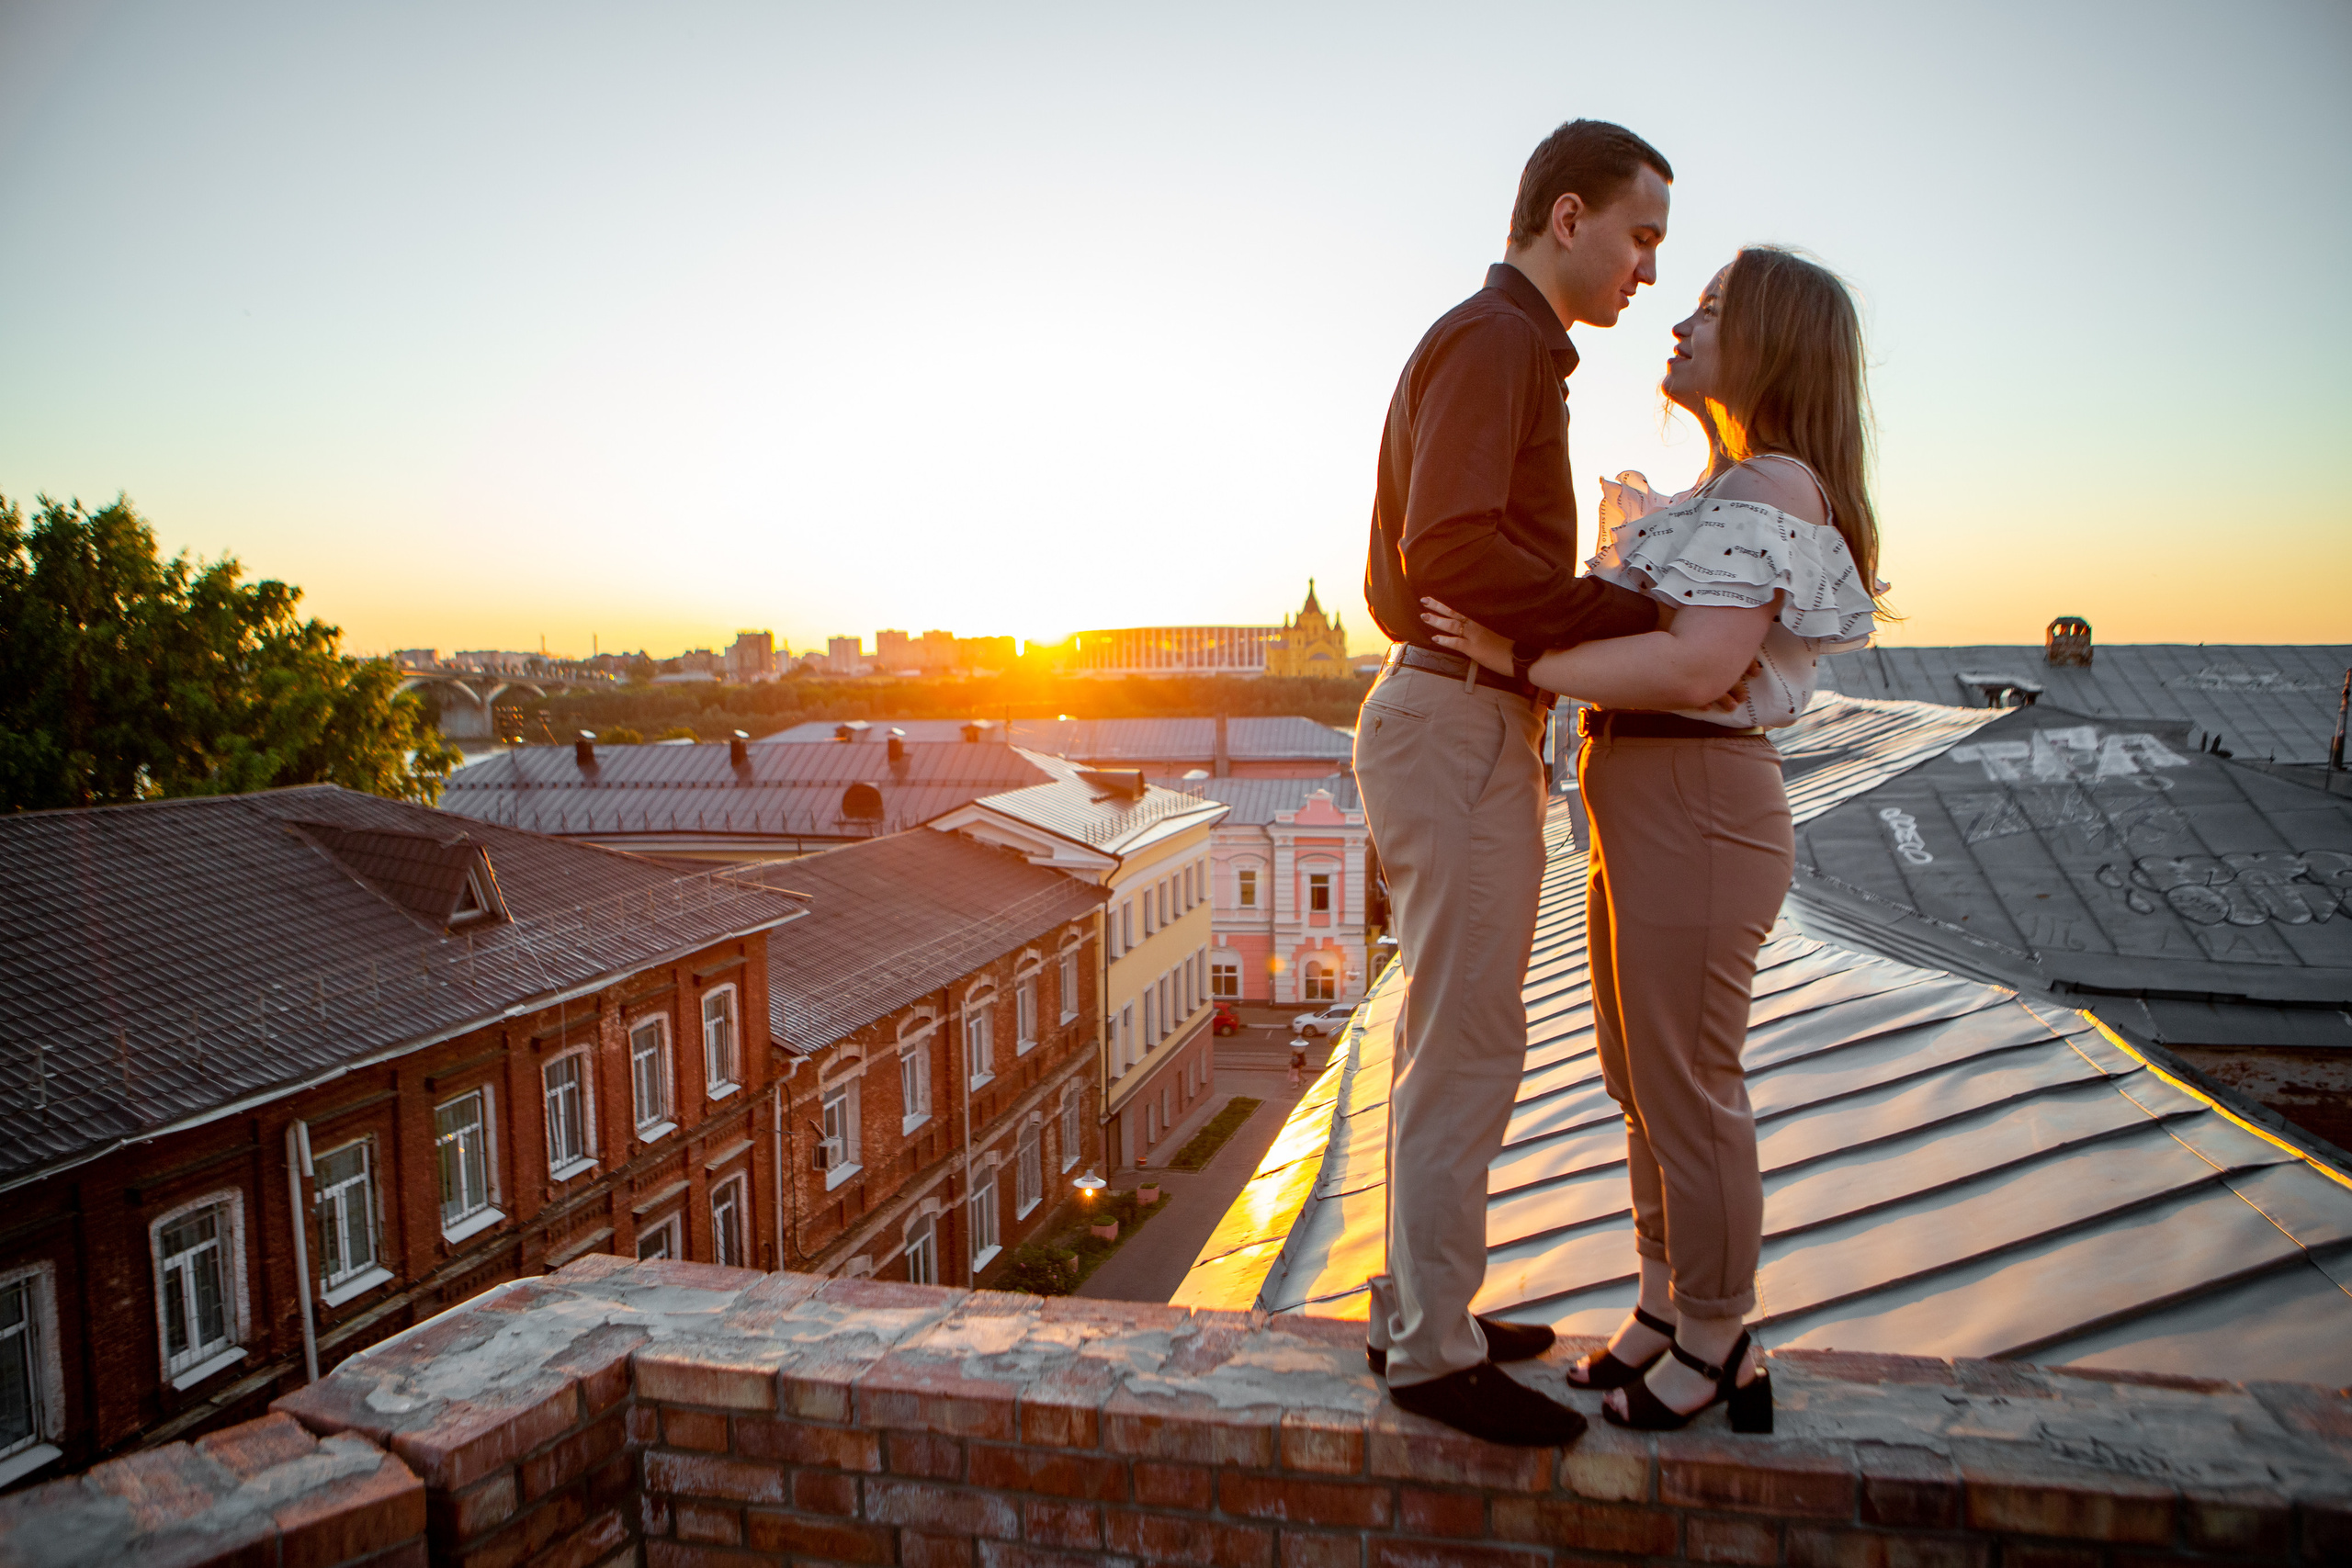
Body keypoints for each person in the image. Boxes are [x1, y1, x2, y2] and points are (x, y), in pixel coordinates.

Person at [1422, 245, 1886, 1433]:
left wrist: (1518, 658)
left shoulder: (1774, 488)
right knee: (1639, 1079)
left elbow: (1693, 667)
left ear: (1773, 343)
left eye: (1714, 308)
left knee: (1687, 1083)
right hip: (1641, 790)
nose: (1681, 321)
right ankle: (1665, 1305)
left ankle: (1722, 1338)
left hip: (1699, 796)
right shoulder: (1726, 489)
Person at [1354, 118, 1674, 1449]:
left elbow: (1418, 567)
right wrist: (1633, 608)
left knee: (1443, 1038)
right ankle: (1433, 1355)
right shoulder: (1497, 343)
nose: (1648, 270)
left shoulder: (1497, 344)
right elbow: (1445, 554)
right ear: (1567, 217)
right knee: (1470, 1044)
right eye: (1639, 235)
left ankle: (1418, 1312)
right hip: (1458, 723)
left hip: (1452, 719)